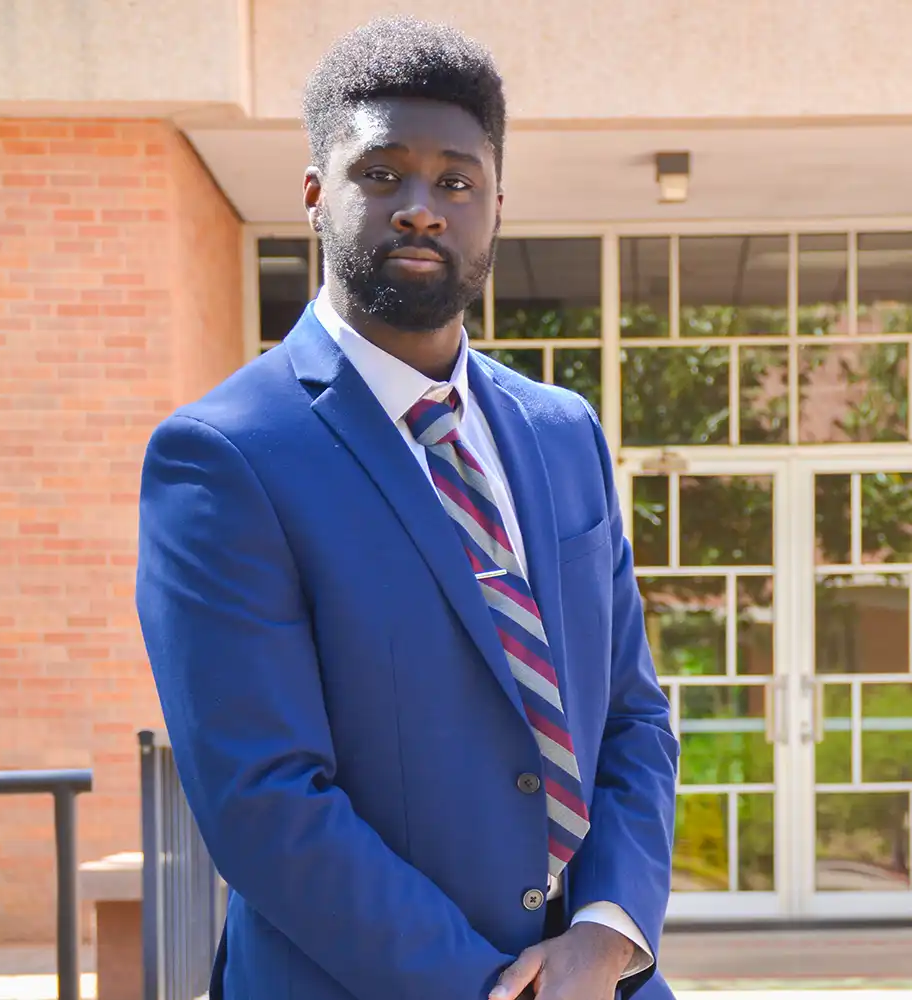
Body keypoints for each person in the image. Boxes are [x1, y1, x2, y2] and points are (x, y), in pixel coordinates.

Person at [136, 16, 678, 1000]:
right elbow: (263, 800)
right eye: (382, 174)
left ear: (496, 205)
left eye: (455, 180)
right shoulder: (224, 456)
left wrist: (605, 934)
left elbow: (632, 719)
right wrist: (489, 989)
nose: (421, 208)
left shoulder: (564, 434)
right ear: (313, 193)